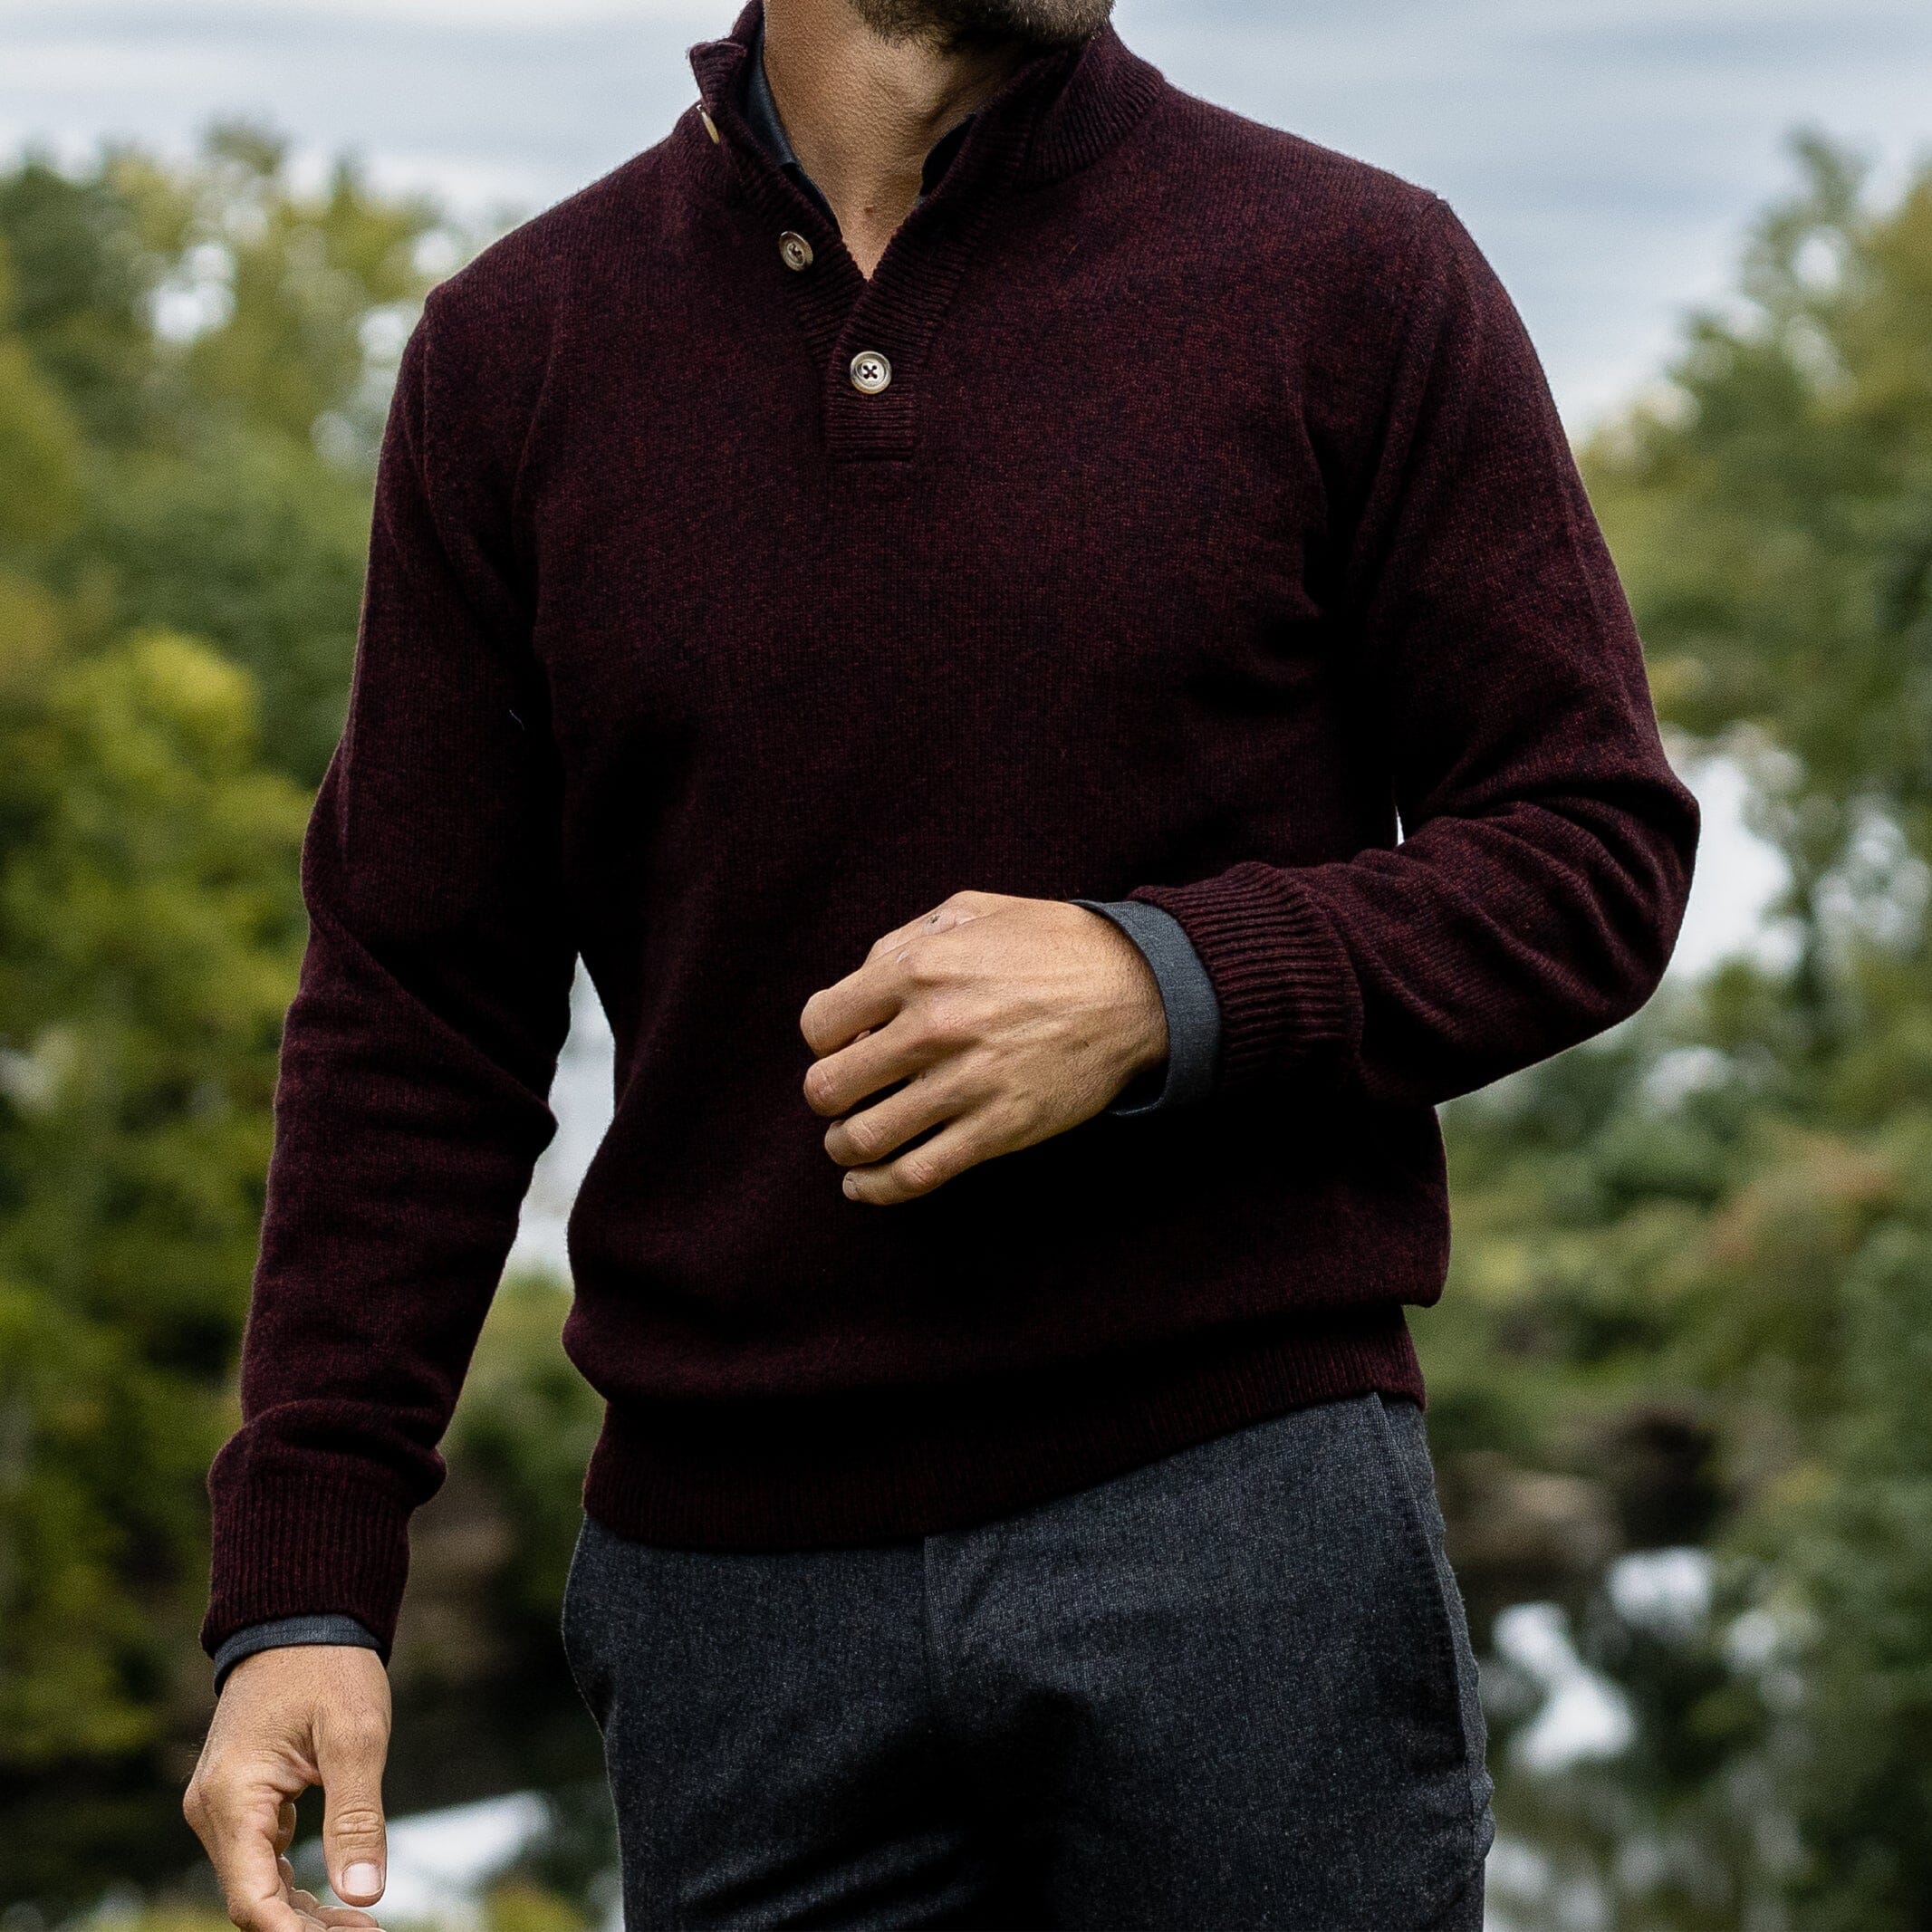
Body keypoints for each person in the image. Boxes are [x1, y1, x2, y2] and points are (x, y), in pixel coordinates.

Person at [182, 0, 1699, 1922]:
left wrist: (1162, 981)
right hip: (732, 1613)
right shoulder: (518, 352)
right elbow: (417, 1007)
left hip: (1242, 1545)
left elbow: (1590, 847)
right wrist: (305, 1584)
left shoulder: (1352, 274)